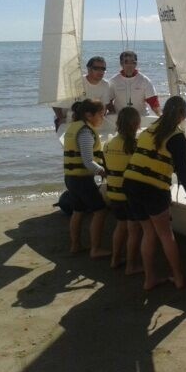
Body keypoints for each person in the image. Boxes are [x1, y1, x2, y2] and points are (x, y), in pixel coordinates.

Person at [123, 96, 186, 290]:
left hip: (130, 184)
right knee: (164, 234)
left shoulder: (150, 129)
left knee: (148, 232)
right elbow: (185, 173)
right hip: (152, 189)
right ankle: (178, 278)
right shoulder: (177, 137)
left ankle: (149, 279)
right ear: (183, 114)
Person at [63, 99, 110, 258]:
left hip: (71, 178)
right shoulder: (85, 132)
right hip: (82, 180)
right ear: (89, 115)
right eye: (101, 115)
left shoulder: (73, 127)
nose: (102, 118)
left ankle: (75, 245)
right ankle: (95, 249)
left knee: (78, 210)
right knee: (100, 211)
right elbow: (88, 162)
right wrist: (104, 172)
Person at [103, 107, 143, 274]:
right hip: (130, 195)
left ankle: (115, 259)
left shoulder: (108, 144)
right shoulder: (136, 145)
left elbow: (106, 168)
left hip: (113, 193)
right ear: (136, 124)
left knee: (120, 226)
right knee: (134, 230)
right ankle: (131, 266)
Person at [52, 56, 112, 130]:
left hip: (90, 118)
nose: (100, 72)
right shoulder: (76, 82)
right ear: (88, 69)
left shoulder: (105, 84)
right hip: (68, 116)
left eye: (103, 69)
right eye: (96, 68)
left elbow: (103, 108)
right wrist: (60, 118)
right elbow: (55, 102)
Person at [109, 50, 161, 117]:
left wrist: (160, 115)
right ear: (121, 63)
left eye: (133, 62)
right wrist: (113, 113)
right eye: (126, 62)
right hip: (120, 118)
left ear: (136, 64)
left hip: (141, 117)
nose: (129, 65)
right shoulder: (113, 81)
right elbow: (108, 101)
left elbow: (153, 101)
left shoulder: (144, 80)